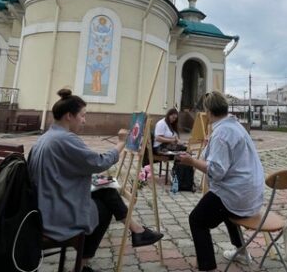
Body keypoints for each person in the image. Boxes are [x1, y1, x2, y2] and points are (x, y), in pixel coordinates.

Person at [28, 88, 163, 272]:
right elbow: (99, 162)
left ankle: (137, 231)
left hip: (45, 204)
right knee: (106, 208)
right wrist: (121, 142)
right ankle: (82, 265)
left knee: (106, 191)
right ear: (69, 116)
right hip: (55, 213)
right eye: (83, 116)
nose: (84, 120)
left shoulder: (47, 137)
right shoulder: (64, 139)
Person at [177, 91, 264, 272]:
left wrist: (191, 162)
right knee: (220, 208)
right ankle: (241, 252)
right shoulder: (234, 125)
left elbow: (216, 172)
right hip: (252, 193)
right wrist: (210, 145)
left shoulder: (222, 133)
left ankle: (207, 266)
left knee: (197, 219)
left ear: (208, 112)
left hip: (237, 194)